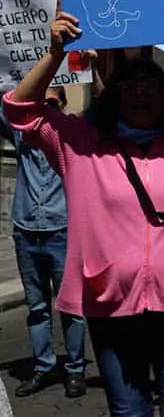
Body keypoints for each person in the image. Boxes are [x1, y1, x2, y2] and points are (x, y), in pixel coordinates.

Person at [1, 2, 164, 417]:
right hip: (110, 310)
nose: (140, 91)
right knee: (130, 413)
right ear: (114, 94)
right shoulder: (78, 143)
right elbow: (19, 110)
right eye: (129, 84)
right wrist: (54, 53)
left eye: (150, 83)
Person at [0, 84, 86, 399]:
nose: (46, 108)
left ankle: (75, 369)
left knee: (71, 307)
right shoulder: (21, 134)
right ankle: (44, 364)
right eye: (41, 102)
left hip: (62, 232)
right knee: (37, 306)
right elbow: (6, 105)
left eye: (52, 102)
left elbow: (103, 113)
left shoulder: (72, 135)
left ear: (62, 106)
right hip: (26, 231)